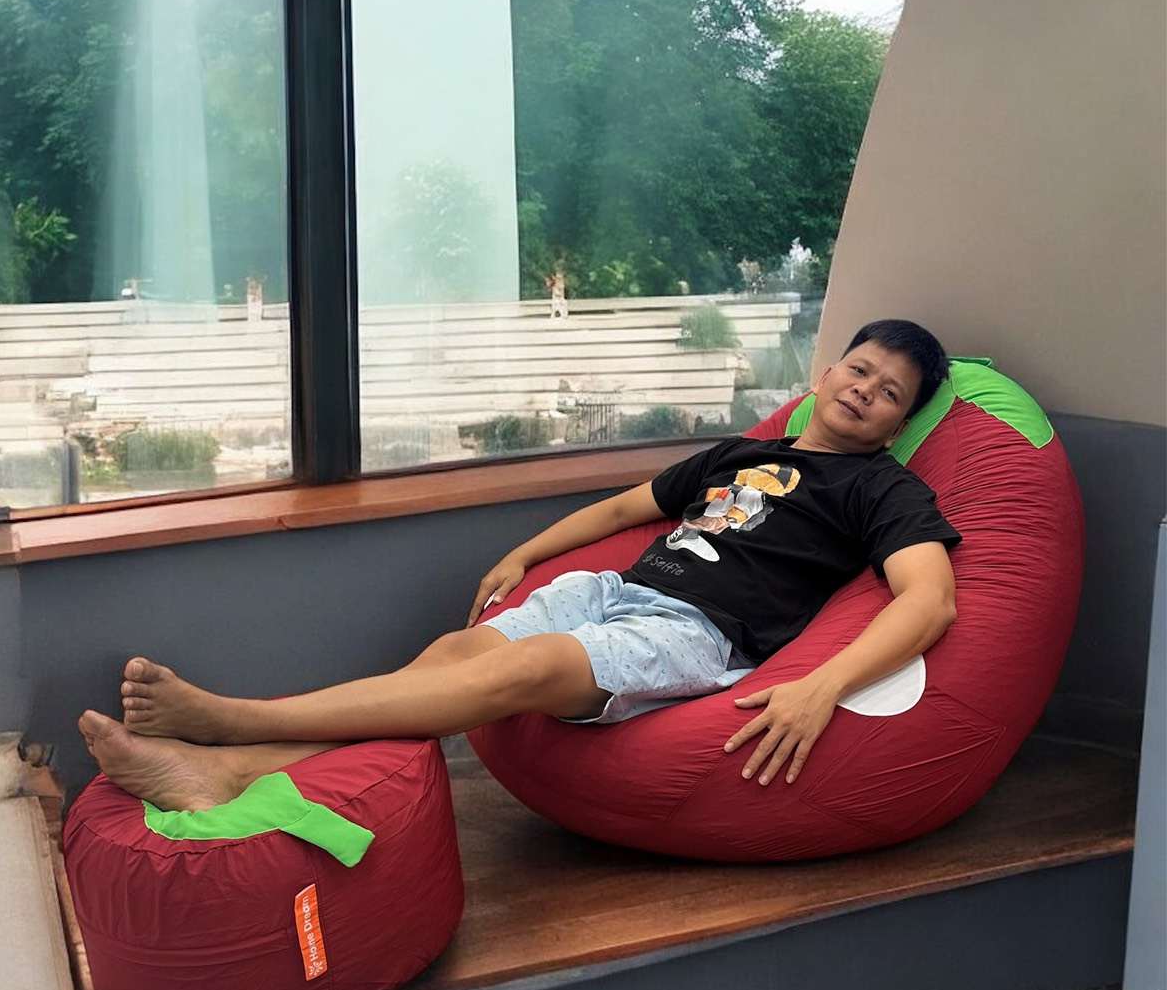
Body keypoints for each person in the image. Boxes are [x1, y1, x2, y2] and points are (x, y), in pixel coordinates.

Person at [80, 318, 961, 815]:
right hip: (615, 591)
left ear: (899, 423)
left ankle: (234, 724)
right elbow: (621, 511)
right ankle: (231, 774)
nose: (864, 390)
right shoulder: (738, 453)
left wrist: (821, 686)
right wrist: (527, 552)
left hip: (698, 634)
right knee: (450, 656)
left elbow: (930, 602)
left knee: (521, 669)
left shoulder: (880, 488)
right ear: (825, 371)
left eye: (889, 393)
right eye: (859, 369)